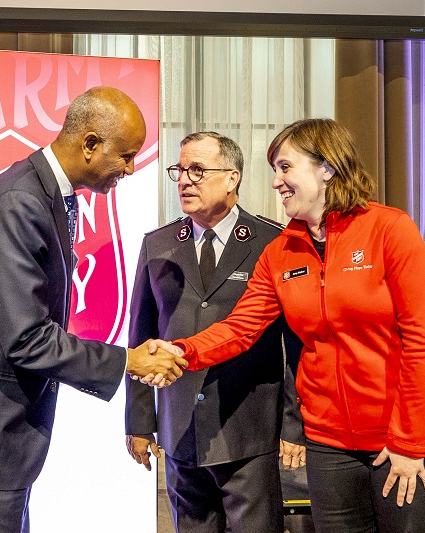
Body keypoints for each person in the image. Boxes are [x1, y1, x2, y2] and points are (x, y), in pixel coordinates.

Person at [0, 86, 187, 533]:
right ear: (90, 144)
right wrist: (127, 360)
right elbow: (27, 338)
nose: (131, 169)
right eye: (126, 156)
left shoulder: (48, 191)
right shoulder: (21, 201)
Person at [160, 119, 425, 532]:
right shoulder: (280, 251)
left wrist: (408, 441)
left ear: (327, 169)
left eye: (285, 167)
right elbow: (241, 327)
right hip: (329, 446)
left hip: (401, 440)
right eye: (275, 170)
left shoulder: (390, 229)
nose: (277, 181)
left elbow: (423, 341)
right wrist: (182, 351)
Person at [125, 132, 305, 533]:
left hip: (248, 428)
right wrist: (139, 421)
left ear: (232, 178)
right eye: (180, 170)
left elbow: (295, 342)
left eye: (198, 170)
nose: (184, 180)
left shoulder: (272, 241)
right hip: (180, 428)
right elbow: (139, 336)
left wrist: (295, 424)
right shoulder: (158, 244)